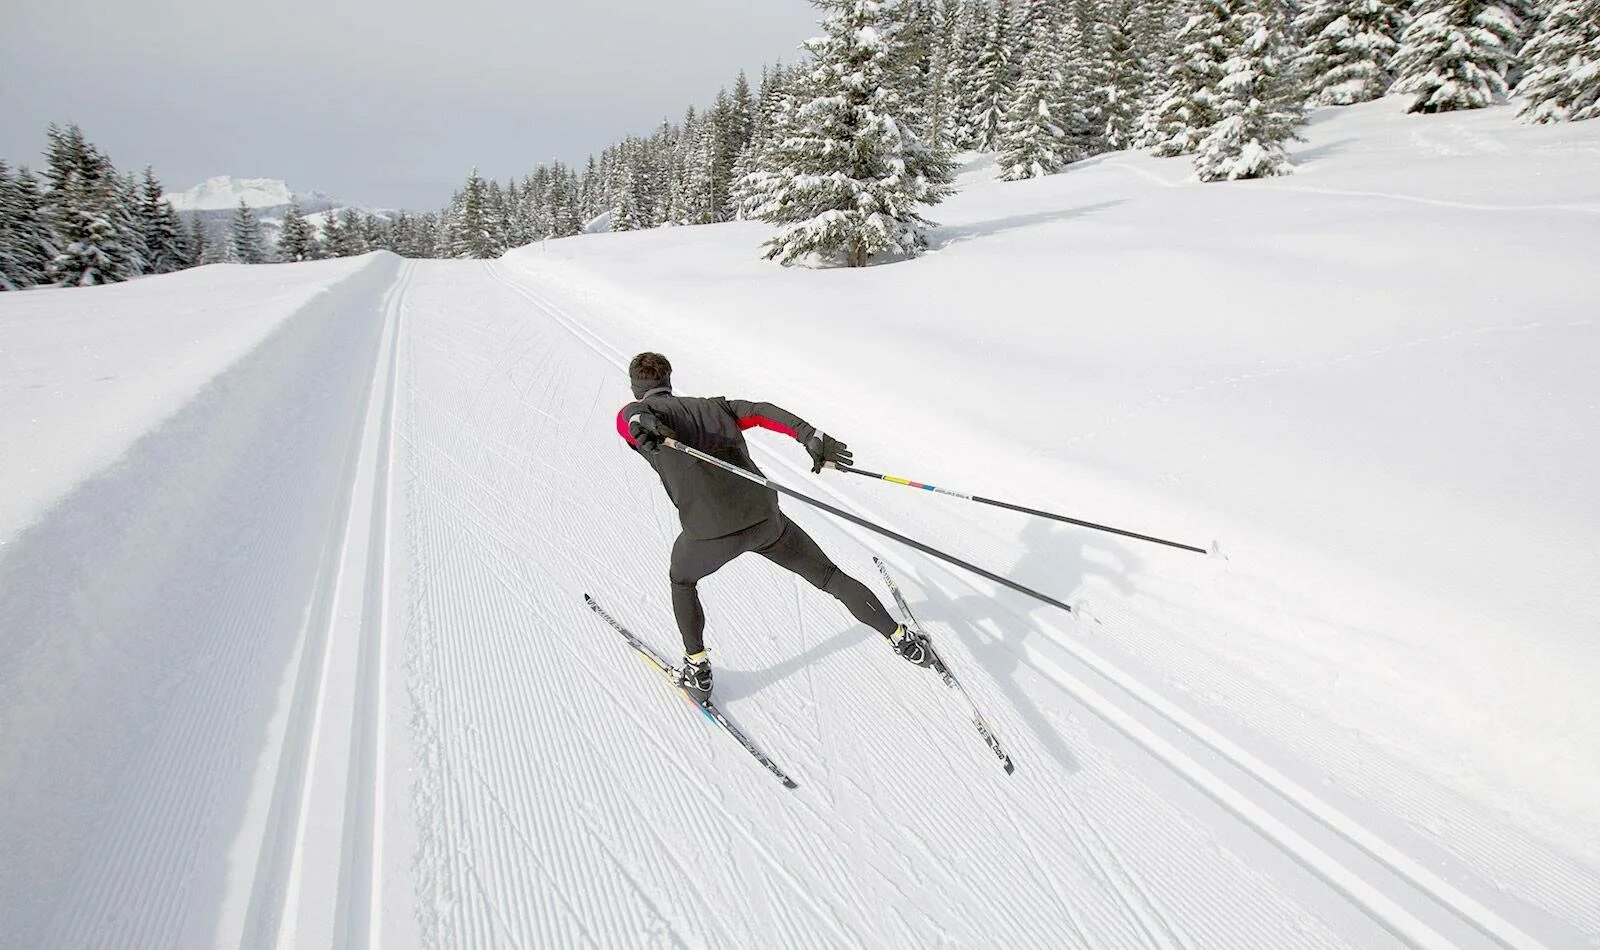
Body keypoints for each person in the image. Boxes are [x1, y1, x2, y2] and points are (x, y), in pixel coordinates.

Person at [616, 351, 931, 703]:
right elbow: (762, 411)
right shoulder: (715, 408)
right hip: (764, 518)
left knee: (682, 579)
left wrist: (641, 422)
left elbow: (629, 418)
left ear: (634, 386)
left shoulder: (640, 418)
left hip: (709, 535)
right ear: (669, 380)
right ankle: (900, 638)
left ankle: (697, 667)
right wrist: (808, 434)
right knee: (828, 576)